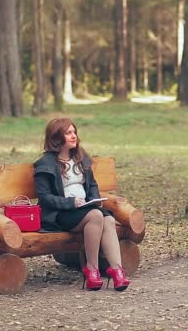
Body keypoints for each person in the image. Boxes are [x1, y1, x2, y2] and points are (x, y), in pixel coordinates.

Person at [33, 117, 130, 291]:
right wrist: (70, 202)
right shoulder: (45, 164)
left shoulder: (80, 157)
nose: (73, 136)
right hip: (60, 214)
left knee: (107, 219)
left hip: (86, 208)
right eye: (68, 133)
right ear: (56, 138)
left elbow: (92, 184)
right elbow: (45, 197)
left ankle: (117, 271)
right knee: (96, 216)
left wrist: (95, 200)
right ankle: (91, 269)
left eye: (74, 132)